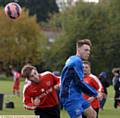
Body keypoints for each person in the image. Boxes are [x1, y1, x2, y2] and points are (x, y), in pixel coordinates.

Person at [60, 39, 102, 118]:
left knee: (92, 114)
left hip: (77, 95)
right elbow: (80, 82)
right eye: (86, 50)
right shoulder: (77, 62)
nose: (88, 52)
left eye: (89, 50)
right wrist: (95, 93)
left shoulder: (72, 58)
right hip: (70, 97)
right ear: (78, 49)